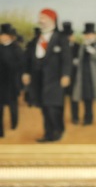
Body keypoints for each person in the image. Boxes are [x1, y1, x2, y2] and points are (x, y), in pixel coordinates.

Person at [21, 8, 72, 142]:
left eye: (43, 18)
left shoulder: (61, 38)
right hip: (38, 79)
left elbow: (67, 58)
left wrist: (66, 75)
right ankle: (49, 133)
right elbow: (28, 58)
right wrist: (26, 72)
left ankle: (57, 131)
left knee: (53, 106)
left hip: (55, 78)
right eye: (40, 18)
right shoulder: (36, 38)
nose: (40, 21)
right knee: (44, 106)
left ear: (52, 20)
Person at [72, 22, 96, 126]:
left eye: (90, 34)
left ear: (95, 35)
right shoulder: (83, 46)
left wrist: (94, 53)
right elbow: (81, 59)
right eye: (86, 34)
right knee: (87, 99)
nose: (88, 36)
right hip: (84, 77)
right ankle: (88, 119)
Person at [0, 22, 24, 137]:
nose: (1, 37)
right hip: (0, 82)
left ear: (8, 36)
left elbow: (21, 64)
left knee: (12, 105)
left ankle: (14, 125)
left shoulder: (16, 48)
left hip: (11, 82)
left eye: (2, 35)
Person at [61, 21, 81, 125]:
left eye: (70, 35)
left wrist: (76, 61)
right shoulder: (59, 47)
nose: (69, 37)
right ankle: (59, 118)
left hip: (74, 76)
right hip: (62, 76)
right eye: (66, 36)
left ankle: (75, 117)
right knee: (60, 99)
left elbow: (81, 59)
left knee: (74, 98)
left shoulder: (78, 46)